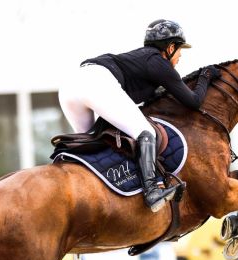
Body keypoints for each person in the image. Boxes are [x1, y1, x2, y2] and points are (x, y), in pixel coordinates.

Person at [58, 19, 220, 212]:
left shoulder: (143, 62)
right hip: (96, 82)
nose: (181, 56)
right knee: (145, 132)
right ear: (169, 48)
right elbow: (193, 101)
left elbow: (152, 95)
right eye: (180, 50)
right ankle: (152, 191)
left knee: (90, 146)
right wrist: (206, 76)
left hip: (70, 86)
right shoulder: (157, 62)